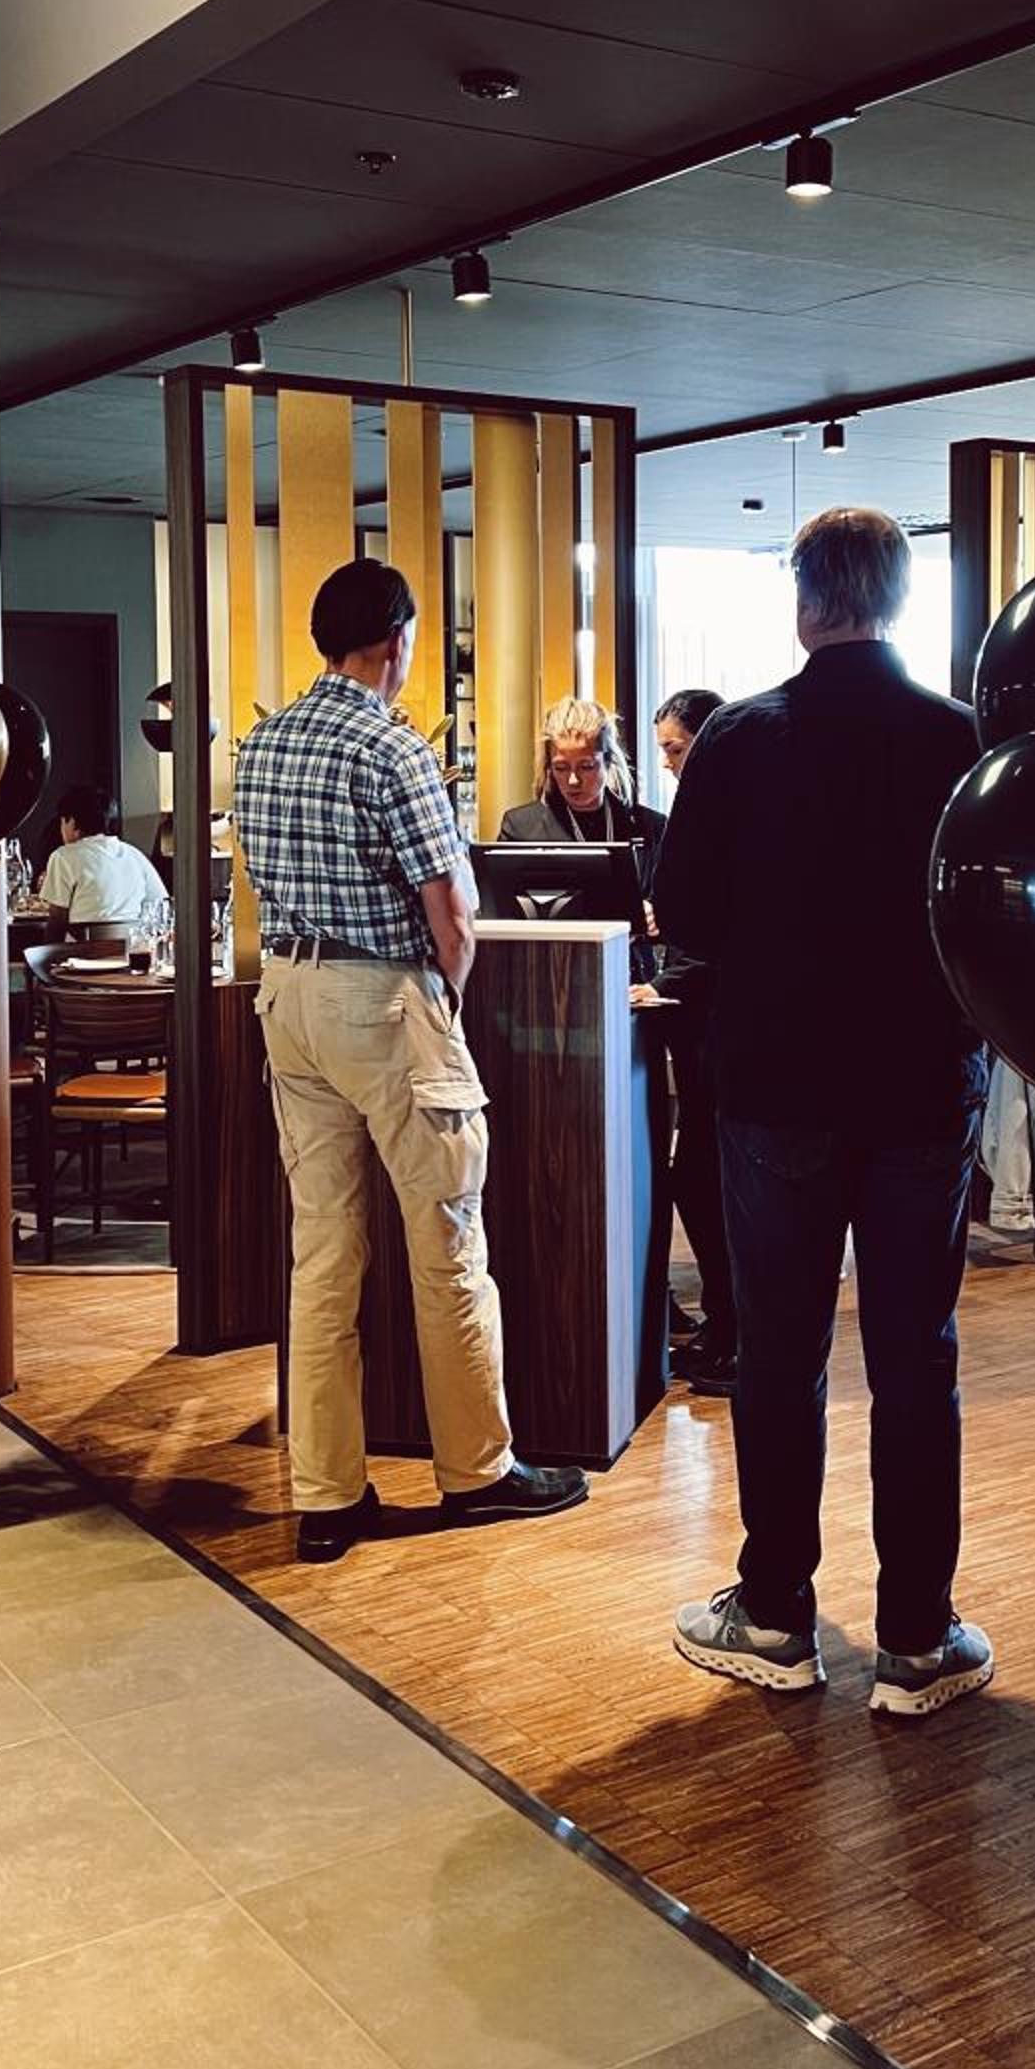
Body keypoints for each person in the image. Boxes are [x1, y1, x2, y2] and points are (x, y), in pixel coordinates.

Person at [652, 507, 993, 1717]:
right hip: (923, 1088)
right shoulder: (964, 738)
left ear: (804, 603)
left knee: (781, 1352)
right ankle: (918, 1638)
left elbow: (685, 915)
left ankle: (775, 1615)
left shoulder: (741, 738)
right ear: (898, 599)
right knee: (916, 1358)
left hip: (777, 1089)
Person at [235, 560, 588, 1562]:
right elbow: (453, 913)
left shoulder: (263, 744)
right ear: (396, 640)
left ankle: (327, 1496)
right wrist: (443, 1002)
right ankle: (477, 1472)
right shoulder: (392, 747)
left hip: (288, 997)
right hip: (383, 1002)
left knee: (322, 1252)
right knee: (448, 1241)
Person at [652, 689, 735, 1392]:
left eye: (675, 750)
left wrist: (665, 981)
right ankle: (723, 1325)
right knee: (701, 1180)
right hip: (701, 1024)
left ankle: (732, 1331)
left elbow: (713, 929)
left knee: (706, 1183)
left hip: (721, 1028)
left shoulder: (720, 812)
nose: (669, 765)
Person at [498, 699, 666, 857]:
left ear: (608, 762)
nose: (573, 780)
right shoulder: (520, 829)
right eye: (561, 768)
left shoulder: (652, 828)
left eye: (586, 767)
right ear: (549, 767)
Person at [40, 784, 170, 929]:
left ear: (72, 822)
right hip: (131, 941)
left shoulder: (63, 856)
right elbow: (161, 901)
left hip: (83, 942)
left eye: (62, 822)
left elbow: (57, 919)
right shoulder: (133, 854)